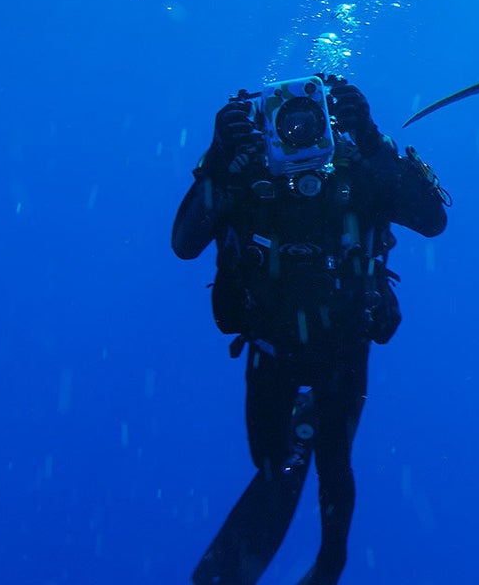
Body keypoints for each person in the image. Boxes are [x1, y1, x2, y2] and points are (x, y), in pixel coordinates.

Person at [172, 74, 447, 585]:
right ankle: (298, 438)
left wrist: (372, 136)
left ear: (327, 116)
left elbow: (432, 221)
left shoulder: (358, 168)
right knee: (269, 460)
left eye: (309, 117)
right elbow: (185, 245)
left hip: (344, 345)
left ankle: (329, 565)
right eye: (286, 119)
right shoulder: (242, 171)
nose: (297, 128)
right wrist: (215, 158)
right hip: (272, 346)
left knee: (335, 463)